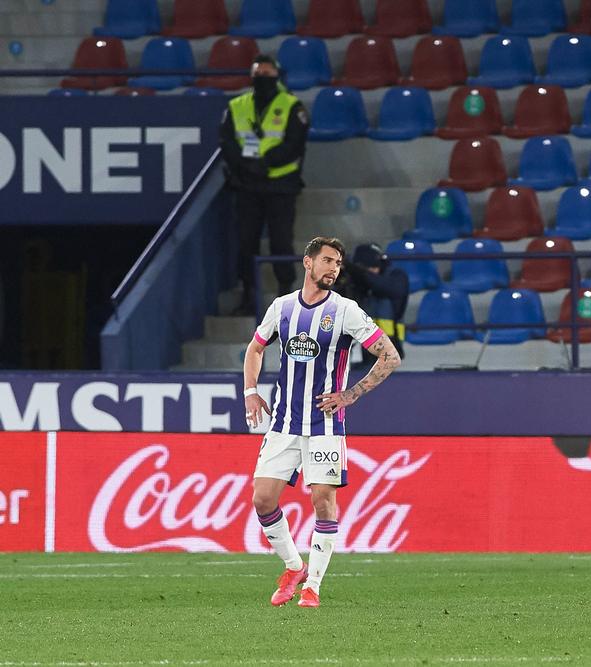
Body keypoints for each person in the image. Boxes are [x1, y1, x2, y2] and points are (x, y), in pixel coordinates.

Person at [243, 236, 401, 608]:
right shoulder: (282, 307)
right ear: (308, 263)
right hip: (283, 423)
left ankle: (313, 585)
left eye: (338, 264)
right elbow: (255, 347)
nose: (333, 268)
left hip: (325, 426)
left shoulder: (346, 310)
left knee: (322, 500)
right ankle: (293, 567)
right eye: (327, 260)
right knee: (263, 499)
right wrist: (250, 391)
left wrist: (351, 394)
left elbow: (390, 356)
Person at [220, 54, 310, 315]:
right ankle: (249, 295)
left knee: (281, 241)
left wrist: (266, 162)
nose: (263, 80)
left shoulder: (293, 106)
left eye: (268, 75)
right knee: (246, 243)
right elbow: (227, 141)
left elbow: (295, 143)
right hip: (247, 185)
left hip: (281, 185)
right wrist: (246, 166)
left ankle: (288, 297)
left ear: (278, 77)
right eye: (258, 75)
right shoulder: (237, 105)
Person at [338, 242, 409, 372]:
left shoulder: (397, 276)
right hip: (356, 351)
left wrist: (358, 272)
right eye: (367, 267)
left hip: (388, 349)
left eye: (374, 266)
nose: (373, 270)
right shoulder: (352, 281)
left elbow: (386, 287)